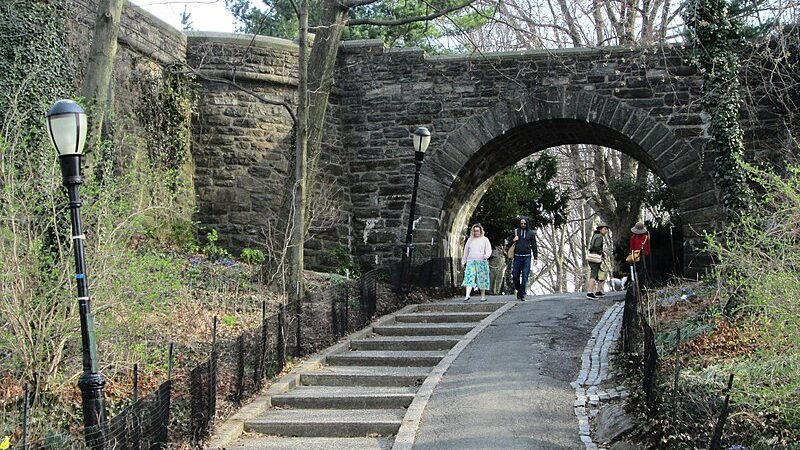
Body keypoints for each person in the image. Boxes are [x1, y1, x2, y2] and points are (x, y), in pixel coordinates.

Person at [507, 218, 538, 301]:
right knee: (515, 275)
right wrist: (514, 240)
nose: (523, 225)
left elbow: (534, 246)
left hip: (527, 257)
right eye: (521, 224)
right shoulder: (516, 232)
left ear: (527, 224)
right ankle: (519, 290)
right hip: (517, 257)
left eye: (524, 223)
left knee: (525, 276)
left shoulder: (531, 233)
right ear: (519, 224)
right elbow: (508, 243)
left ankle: (523, 294)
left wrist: (535, 257)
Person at [461, 223, 492, 302]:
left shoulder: (485, 239)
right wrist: (463, 261)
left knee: (482, 278)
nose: (476, 233)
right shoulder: (470, 240)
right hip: (471, 261)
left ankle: (482, 296)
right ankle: (467, 295)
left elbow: (488, 250)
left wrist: (486, 256)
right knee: (469, 277)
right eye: (475, 231)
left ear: (481, 231)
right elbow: (466, 251)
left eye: (478, 231)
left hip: (481, 261)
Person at [587, 225, 609, 299]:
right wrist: (602, 253)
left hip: (593, 257)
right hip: (595, 258)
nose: (606, 231)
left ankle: (598, 291)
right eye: (605, 229)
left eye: (607, 229)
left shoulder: (595, 235)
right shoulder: (599, 237)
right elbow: (596, 247)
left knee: (602, 273)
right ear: (600, 230)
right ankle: (589, 293)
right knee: (593, 274)